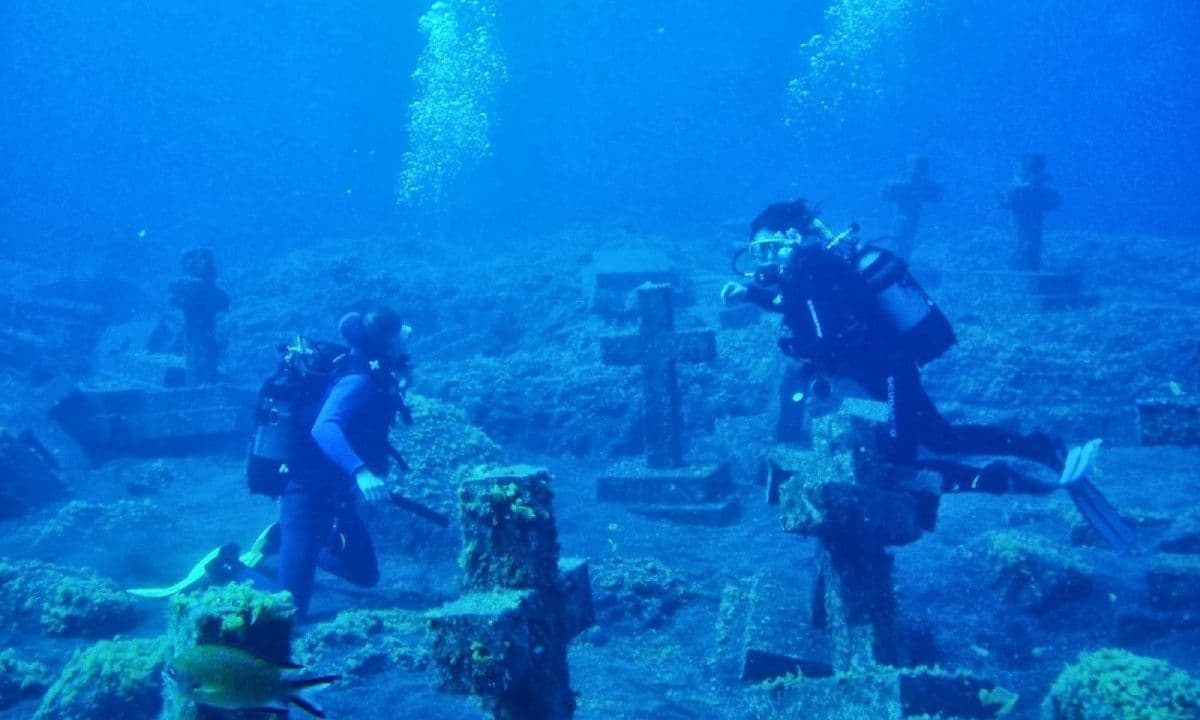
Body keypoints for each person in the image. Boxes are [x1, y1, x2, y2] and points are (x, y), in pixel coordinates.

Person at [722, 198, 1133, 550]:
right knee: (941, 437)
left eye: (768, 249)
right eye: (760, 253)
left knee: (905, 463)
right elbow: (804, 307)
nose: (766, 260)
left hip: (887, 373)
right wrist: (754, 294)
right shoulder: (812, 269)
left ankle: (1006, 480)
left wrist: (796, 347)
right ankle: (1039, 447)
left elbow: (823, 335)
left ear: (791, 238)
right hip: (890, 368)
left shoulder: (809, 270)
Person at [268, 306, 413, 618]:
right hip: (305, 490)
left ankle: (293, 546)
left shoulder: (375, 372)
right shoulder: (358, 379)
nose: (405, 335)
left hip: (335, 496)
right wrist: (361, 473)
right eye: (396, 332)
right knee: (288, 613)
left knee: (364, 574)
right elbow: (324, 427)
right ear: (384, 342)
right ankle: (233, 569)